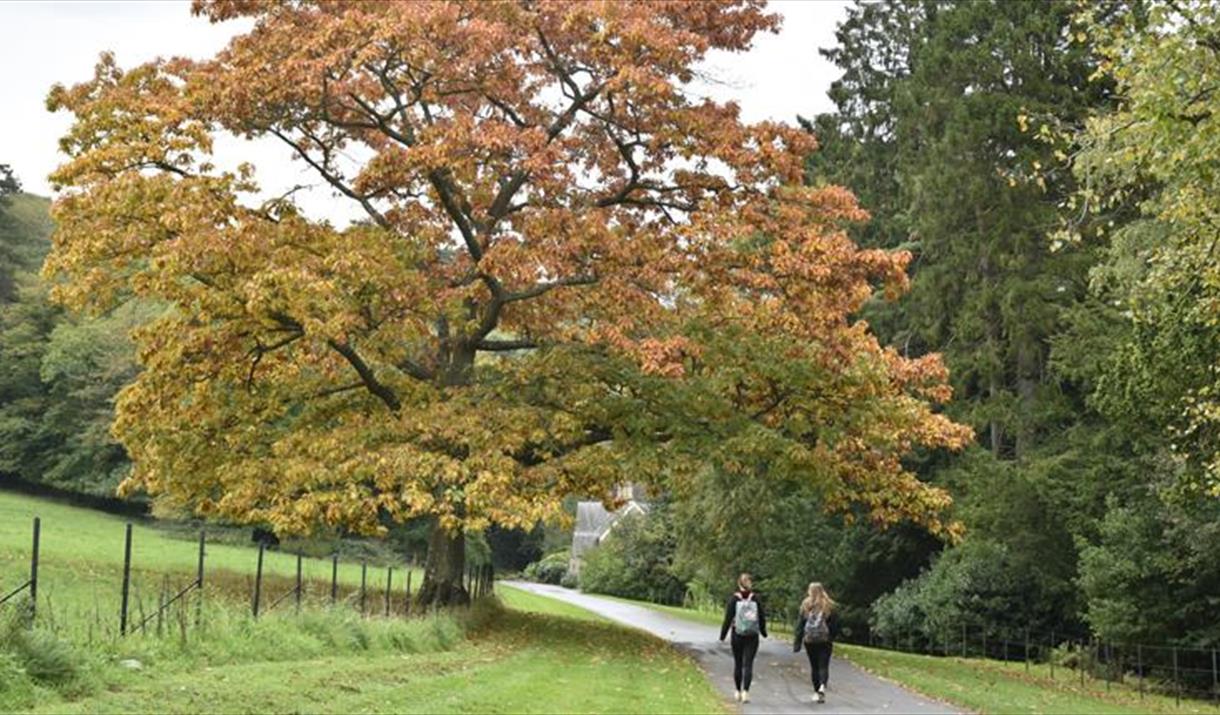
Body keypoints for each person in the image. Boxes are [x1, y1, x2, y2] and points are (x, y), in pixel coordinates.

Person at [719, 572, 767, 703]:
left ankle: (737, 691)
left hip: (737, 634)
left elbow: (728, 618)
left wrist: (722, 635)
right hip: (752, 635)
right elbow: (761, 617)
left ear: (739, 583)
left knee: (738, 663)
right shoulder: (755, 598)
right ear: (750, 583)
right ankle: (746, 691)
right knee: (748, 664)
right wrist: (763, 632)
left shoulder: (734, 599)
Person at [793, 581, 838, 704]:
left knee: (814, 666)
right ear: (822, 590)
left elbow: (800, 625)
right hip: (825, 640)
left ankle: (816, 691)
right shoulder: (829, 605)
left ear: (809, 591)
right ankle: (822, 686)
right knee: (823, 665)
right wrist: (832, 637)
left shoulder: (805, 605)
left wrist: (797, 642)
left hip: (810, 641)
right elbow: (834, 625)